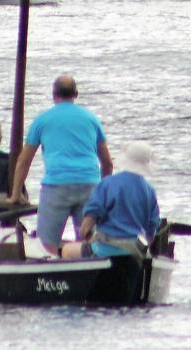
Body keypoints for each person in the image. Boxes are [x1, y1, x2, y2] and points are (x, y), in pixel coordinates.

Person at [9, 74, 113, 255]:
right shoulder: (91, 120)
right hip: (89, 184)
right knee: (90, 245)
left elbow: (23, 162)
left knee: (46, 246)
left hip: (56, 186)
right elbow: (107, 163)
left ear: (53, 94)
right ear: (76, 94)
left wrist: (15, 194)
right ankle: (90, 276)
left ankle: (50, 278)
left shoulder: (42, 120)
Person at [62, 140, 160, 261]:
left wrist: (83, 233)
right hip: (132, 252)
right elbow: (151, 232)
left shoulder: (108, 183)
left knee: (67, 250)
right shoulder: (149, 191)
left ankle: (81, 278)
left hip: (104, 250)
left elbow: (90, 218)